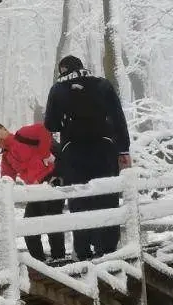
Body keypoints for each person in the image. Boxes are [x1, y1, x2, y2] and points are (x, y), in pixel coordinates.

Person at [44, 55, 131, 260]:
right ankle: (108, 249)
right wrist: (123, 150)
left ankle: (83, 252)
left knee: (79, 200)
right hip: (104, 149)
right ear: (82, 67)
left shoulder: (58, 89)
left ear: (62, 70)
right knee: (107, 197)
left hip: (74, 152)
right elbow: (118, 117)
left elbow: (51, 124)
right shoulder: (102, 84)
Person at [0, 121, 65, 262]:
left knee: (53, 223)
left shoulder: (23, 135)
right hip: (35, 191)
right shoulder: (6, 158)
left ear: (4, 128)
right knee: (28, 227)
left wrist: (44, 153)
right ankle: (39, 262)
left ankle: (59, 260)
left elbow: (44, 129)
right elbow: (6, 180)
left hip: (53, 182)